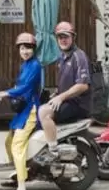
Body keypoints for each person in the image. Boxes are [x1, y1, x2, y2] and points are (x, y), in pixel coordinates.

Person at [0, 32, 42, 190]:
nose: (25, 51)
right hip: (22, 109)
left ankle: (22, 189)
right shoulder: (25, 65)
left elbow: (25, 87)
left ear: (33, 50)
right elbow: (19, 85)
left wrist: (6, 93)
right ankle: (19, 174)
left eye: (28, 48)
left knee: (17, 145)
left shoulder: (35, 66)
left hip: (30, 110)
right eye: (22, 48)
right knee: (9, 141)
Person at [38, 21, 92, 160]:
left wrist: (60, 97)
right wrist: (55, 94)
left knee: (44, 112)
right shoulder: (61, 58)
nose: (63, 40)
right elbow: (66, 85)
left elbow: (83, 85)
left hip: (78, 104)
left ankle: (53, 150)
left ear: (73, 37)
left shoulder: (79, 56)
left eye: (66, 36)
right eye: (60, 37)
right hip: (68, 101)